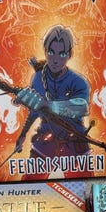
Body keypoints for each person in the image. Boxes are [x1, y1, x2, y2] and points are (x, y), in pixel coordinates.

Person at [15, 25, 93, 179]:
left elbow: (82, 107)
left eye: (61, 54)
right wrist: (23, 134)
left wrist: (48, 105)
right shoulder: (38, 78)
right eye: (51, 52)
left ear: (69, 55)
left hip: (74, 142)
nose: (55, 60)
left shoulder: (78, 82)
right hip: (45, 141)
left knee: (84, 183)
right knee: (30, 181)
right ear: (45, 50)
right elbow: (34, 111)